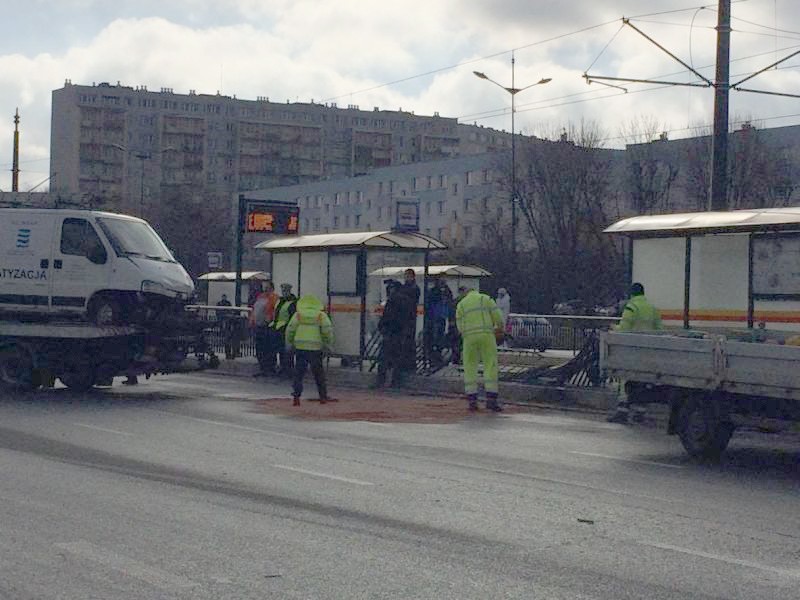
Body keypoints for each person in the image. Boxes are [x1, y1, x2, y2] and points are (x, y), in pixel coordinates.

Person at [607, 282, 662, 424]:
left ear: (631, 294)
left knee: (625, 380)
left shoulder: (632, 307)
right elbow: (659, 330)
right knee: (643, 382)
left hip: (631, 351)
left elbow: (624, 329)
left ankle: (622, 412)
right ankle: (640, 413)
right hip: (648, 351)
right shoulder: (653, 309)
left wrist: (613, 328)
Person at [456, 287, 505, 412]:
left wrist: (465, 333)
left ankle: (472, 400)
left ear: (465, 293)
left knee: (470, 366)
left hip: (469, 338)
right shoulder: (485, 299)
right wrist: (500, 328)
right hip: (486, 336)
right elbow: (498, 317)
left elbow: (459, 325)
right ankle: (491, 400)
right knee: (490, 364)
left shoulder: (461, 304)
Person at [285, 294, 333, 406]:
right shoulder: (321, 315)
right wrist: (328, 344)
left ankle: (296, 396)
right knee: (318, 373)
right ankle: (323, 396)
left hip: (300, 347)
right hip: (316, 348)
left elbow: (290, 329)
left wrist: (290, 343)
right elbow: (327, 330)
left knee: (299, 373)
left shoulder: (298, 315)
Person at [374, 280, 406, 388]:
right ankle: (395, 382)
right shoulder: (405, 300)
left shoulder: (392, 300)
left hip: (390, 333)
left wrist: (382, 327)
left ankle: (381, 381)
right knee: (397, 358)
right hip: (399, 333)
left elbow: (387, 317)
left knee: (384, 357)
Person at [250, 280, 279, 376]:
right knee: (260, 348)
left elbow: (274, 311)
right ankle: (263, 367)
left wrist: (270, 320)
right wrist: (252, 321)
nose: (265, 288)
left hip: (268, 326)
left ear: (272, 288)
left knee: (268, 348)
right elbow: (255, 310)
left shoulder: (274, 298)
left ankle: (269, 367)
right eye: (264, 287)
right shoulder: (260, 297)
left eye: (267, 287)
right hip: (259, 326)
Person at [396, 268, 421, 381]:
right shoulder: (405, 287)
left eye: (407, 276)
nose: (406, 278)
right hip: (403, 318)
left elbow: (410, 300)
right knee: (403, 341)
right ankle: (404, 364)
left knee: (409, 341)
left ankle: (409, 364)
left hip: (409, 318)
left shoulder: (414, 288)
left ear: (412, 276)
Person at [271, 283, 298, 376]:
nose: (284, 292)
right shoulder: (280, 301)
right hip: (277, 328)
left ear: (289, 291)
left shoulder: (293, 302)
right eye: (283, 290)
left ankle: (288, 370)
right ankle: (282, 368)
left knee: (287, 351)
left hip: (286, 329)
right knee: (280, 350)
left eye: (286, 290)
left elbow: (293, 317)